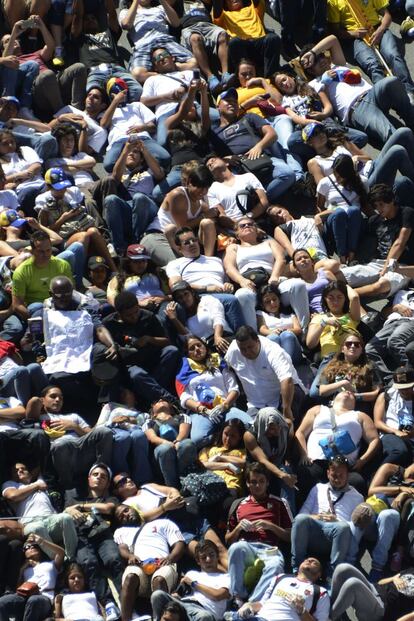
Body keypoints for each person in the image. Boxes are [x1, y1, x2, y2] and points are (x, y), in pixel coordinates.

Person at [300, 34, 414, 147]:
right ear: (310, 70)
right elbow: (325, 105)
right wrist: (324, 83)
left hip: (373, 93)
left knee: (391, 82)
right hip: (357, 109)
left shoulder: (337, 64)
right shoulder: (314, 84)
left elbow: (333, 39)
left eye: (321, 55)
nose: (321, 60)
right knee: (392, 133)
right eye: (315, 61)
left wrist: (313, 53)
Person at [209, 89, 300, 203]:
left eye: (234, 101)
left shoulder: (248, 117)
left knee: (287, 174)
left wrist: (259, 146)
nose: (232, 103)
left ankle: (259, 202)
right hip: (239, 168)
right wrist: (224, 159)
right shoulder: (214, 132)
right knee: (235, 196)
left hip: (262, 158)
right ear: (218, 106)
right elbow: (210, 157)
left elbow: (272, 134)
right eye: (227, 101)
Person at [223, 217, 310, 331]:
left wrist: (274, 276)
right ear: (237, 233)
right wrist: (241, 280)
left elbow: (281, 259)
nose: (247, 226)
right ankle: (255, 337)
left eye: (250, 224)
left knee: (297, 285)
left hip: (271, 280)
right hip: (250, 284)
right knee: (242, 295)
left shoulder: (269, 242)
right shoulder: (234, 247)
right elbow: (229, 267)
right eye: (242, 226)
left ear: (256, 229)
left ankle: (304, 330)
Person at [225, 462, 292, 604]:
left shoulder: (280, 503)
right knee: (236, 548)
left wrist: (271, 526)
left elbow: (290, 536)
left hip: (270, 549)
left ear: (267, 482)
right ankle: (238, 597)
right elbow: (228, 540)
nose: (257, 486)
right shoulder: (238, 504)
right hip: (247, 546)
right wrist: (238, 529)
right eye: (253, 482)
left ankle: (252, 603)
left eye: (261, 481)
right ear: (247, 484)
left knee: (276, 565)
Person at [103, 291, 182, 408]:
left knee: (172, 351)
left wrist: (149, 339)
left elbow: (167, 341)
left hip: (154, 362)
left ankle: (147, 394)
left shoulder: (148, 316)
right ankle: (170, 400)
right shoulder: (109, 324)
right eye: (129, 315)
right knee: (137, 375)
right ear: (119, 314)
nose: (134, 317)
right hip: (131, 367)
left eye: (136, 312)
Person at [25, 385, 113, 489]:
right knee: (61, 444)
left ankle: (101, 471)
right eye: (53, 396)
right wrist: (38, 401)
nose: (58, 400)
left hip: (82, 449)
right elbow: (32, 408)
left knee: (105, 431)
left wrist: (74, 426)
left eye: (61, 398)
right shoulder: (39, 417)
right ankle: (67, 483)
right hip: (61, 456)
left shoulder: (73, 417)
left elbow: (92, 433)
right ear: (43, 400)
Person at [1, 16, 87, 122]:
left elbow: (51, 47)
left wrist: (41, 25)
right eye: (7, 41)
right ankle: (62, 113)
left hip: (54, 81)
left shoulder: (34, 54)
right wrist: (14, 34)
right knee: (47, 75)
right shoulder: (11, 63)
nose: (13, 41)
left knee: (79, 68)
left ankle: (78, 110)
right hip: (39, 90)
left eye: (14, 40)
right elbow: (5, 65)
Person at [295, 390, 380, 497]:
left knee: (357, 482)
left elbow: (374, 440)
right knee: (304, 474)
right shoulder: (318, 409)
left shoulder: (360, 416)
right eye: (342, 392)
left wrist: (362, 461)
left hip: (344, 465)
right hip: (316, 461)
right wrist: (304, 455)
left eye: (352, 395)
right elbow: (300, 432)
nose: (349, 393)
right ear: (333, 399)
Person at [63, 463, 124, 609]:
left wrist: (80, 507)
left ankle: (127, 601)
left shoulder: (111, 499)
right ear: (89, 478)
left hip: (103, 535)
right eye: (95, 475)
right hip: (81, 537)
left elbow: (108, 509)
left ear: (108, 483)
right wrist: (68, 510)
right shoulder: (73, 497)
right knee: (88, 562)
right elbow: (63, 515)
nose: (99, 478)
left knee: (113, 559)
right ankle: (108, 603)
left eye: (103, 477)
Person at [165, 226, 247, 333]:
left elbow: (226, 281)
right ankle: (243, 336)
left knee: (243, 295)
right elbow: (175, 285)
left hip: (221, 292)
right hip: (196, 296)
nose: (192, 244)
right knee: (231, 300)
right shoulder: (175, 264)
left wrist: (228, 285)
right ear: (179, 248)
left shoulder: (215, 260)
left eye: (193, 240)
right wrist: (207, 288)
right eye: (186, 243)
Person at [327, 0, 414, 99]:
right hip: (355, 39)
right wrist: (354, 33)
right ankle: (387, 97)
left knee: (393, 55)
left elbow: (387, 16)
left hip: (378, 28)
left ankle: (409, 90)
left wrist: (380, 30)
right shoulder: (333, 2)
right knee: (372, 64)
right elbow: (335, 31)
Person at [291, 455, 362, 576]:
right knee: (300, 519)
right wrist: (316, 517)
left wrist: (336, 521)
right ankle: (297, 567)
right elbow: (302, 513)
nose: (337, 479)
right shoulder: (318, 488)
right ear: (328, 473)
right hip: (315, 529)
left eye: (341, 476)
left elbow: (355, 529)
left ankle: (333, 574)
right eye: (334, 475)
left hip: (337, 536)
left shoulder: (357, 497)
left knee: (343, 527)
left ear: (348, 475)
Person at [175, 334, 251, 445]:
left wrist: (223, 406)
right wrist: (203, 410)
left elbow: (233, 388)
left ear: (205, 346)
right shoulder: (184, 369)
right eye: (192, 348)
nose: (197, 349)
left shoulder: (217, 360)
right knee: (198, 440)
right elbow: (184, 398)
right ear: (187, 353)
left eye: (199, 345)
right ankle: (221, 438)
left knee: (250, 425)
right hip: (202, 413)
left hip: (225, 408)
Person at [114, 504, 186, 621]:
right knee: (130, 577)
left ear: (134, 509)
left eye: (126, 510)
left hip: (163, 562)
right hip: (139, 565)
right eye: (121, 516)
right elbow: (123, 548)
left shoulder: (163, 523)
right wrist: (130, 556)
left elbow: (179, 543)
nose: (125, 515)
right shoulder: (121, 531)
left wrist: (170, 558)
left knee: (159, 580)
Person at [341, 185, 414, 299]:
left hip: (401, 265)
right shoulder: (374, 221)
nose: (379, 209)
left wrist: (387, 267)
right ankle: (336, 293)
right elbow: (365, 242)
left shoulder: (406, 213)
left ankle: (344, 296)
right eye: (375, 206)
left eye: (381, 204)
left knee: (380, 286)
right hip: (377, 263)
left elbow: (400, 242)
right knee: (340, 275)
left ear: (391, 200)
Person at [225, 325, 307, 424]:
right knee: (253, 434)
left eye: (250, 347)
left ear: (258, 341)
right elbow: (228, 369)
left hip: (284, 397)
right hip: (256, 404)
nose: (247, 352)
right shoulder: (233, 350)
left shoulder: (273, 351)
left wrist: (286, 409)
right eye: (243, 349)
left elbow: (287, 380)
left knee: (283, 427)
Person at [2, 461, 78, 558]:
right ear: (12, 475)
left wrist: (34, 478)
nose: (20, 470)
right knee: (37, 528)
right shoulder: (11, 484)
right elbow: (13, 496)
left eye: (23, 468)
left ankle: (70, 559)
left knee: (66, 518)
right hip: (30, 523)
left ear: (30, 473)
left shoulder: (40, 480)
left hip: (51, 519)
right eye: (16, 470)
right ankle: (57, 561)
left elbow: (41, 466)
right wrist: (36, 485)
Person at [101, 140, 164, 255]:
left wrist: (144, 149)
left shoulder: (149, 170)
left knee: (139, 198)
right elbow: (114, 177)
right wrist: (125, 150)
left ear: (141, 158)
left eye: (135, 152)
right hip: (126, 207)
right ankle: (119, 248)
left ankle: (135, 242)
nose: (131, 153)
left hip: (147, 206)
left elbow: (159, 174)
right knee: (110, 199)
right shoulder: (119, 172)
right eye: (129, 152)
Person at [100, 80, 170, 173]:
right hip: (120, 141)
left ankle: (143, 170)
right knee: (109, 165)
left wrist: (142, 127)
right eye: (118, 93)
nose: (122, 94)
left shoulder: (137, 105)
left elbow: (152, 126)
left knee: (165, 158)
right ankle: (134, 170)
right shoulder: (108, 111)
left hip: (142, 138)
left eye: (124, 92)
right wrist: (115, 101)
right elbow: (103, 124)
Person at [305, 280, 361, 398]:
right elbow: (310, 343)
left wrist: (339, 282)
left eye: (339, 297)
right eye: (331, 297)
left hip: (352, 356)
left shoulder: (351, 316)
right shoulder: (319, 318)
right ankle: (341, 385)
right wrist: (324, 323)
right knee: (315, 393)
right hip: (330, 359)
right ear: (325, 299)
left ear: (345, 299)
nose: (335, 301)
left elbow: (355, 297)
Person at [151, 540, 231, 621]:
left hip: (203, 611)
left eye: (212, 555)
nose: (208, 559)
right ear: (198, 561)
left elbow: (217, 595)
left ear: (217, 556)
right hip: (183, 605)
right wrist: (177, 593)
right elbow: (179, 592)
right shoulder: (191, 574)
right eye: (203, 557)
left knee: (205, 617)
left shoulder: (226, 577)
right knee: (157, 595)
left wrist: (194, 584)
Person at [119, 1, 196, 84]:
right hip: (143, 44)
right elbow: (126, 24)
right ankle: (168, 72)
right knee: (137, 74)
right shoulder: (126, 12)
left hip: (165, 40)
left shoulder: (160, 8)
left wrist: (163, 2)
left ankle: (170, 69)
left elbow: (176, 23)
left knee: (193, 63)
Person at [229, 557, 330, 621]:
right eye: (306, 560)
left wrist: (302, 610)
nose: (309, 560)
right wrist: (249, 605)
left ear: (319, 574)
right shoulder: (281, 577)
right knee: (233, 615)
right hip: (259, 618)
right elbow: (262, 603)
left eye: (314, 563)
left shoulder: (320, 592)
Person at [315, 153, 368, 265]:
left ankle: (352, 254)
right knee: (339, 213)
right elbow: (319, 205)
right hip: (334, 218)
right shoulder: (325, 183)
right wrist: (319, 218)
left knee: (353, 210)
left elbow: (365, 205)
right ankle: (342, 257)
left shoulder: (362, 181)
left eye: (340, 176)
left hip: (354, 219)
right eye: (335, 175)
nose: (337, 179)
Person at [155, 164, 218, 257]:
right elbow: (182, 227)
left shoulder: (202, 201)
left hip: (184, 239)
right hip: (160, 235)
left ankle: (209, 260)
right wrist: (204, 216)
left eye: (206, 188)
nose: (203, 192)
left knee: (207, 223)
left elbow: (211, 218)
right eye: (199, 187)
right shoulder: (178, 195)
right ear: (189, 183)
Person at [207, 0, 281, 77]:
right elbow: (217, 11)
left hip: (259, 44)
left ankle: (271, 78)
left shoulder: (253, 8)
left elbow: (258, 2)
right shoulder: (223, 15)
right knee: (234, 42)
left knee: (273, 38)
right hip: (240, 49)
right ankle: (244, 78)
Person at [0, 533, 64, 621]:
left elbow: (61, 553)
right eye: (27, 547)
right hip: (23, 596)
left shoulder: (51, 565)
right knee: (2, 602)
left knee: (34, 600)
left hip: (44, 597)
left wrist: (42, 541)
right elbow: (16, 586)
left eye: (34, 546)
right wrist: (24, 567)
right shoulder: (24, 569)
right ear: (24, 554)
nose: (31, 547)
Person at [11, 230, 74, 320]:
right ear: (32, 251)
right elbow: (17, 305)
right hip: (35, 309)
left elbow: (72, 292)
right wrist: (35, 320)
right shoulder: (21, 272)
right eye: (41, 251)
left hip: (60, 305)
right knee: (37, 306)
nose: (45, 255)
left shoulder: (63, 265)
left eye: (48, 250)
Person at [142, 397, 198, 488]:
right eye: (157, 402)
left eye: (164, 401)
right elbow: (152, 437)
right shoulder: (149, 422)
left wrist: (178, 441)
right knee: (165, 449)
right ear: (153, 411)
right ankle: (172, 486)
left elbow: (184, 432)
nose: (160, 401)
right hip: (161, 452)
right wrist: (166, 443)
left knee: (187, 444)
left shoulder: (182, 417)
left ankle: (186, 482)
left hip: (180, 446)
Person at [319, 333, 380, 411]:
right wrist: (343, 383)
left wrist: (354, 396)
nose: (353, 346)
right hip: (333, 409)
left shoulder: (370, 366)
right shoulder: (332, 366)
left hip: (358, 410)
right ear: (342, 349)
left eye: (357, 344)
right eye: (348, 344)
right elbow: (322, 391)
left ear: (361, 350)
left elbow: (376, 393)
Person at [166, 281, 232, 353]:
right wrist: (174, 319)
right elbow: (187, 337)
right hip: (204, 350)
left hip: (223, 338)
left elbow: (218, 318)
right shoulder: (181, 316)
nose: (184, 299)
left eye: (186, 294)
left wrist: (217, 336)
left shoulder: (206, 300)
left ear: (192, 293)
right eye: (179, 297)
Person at [366, 291, 414, 384]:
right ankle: (389, 381)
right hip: (391, 322)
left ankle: (410, 372)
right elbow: (383, 311)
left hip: (411, 321)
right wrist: (396, 308)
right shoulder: (401, 292)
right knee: (370, 349)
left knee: (394, 341)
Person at [206, 155, 269, 225]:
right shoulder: (211, 190)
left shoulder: (248, 176)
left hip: (256, 220)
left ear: (226, 163)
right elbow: (221, 216)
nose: (210, 163)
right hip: (233, 227)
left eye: (213, 160)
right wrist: (240, 225)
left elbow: (264, 201)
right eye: (208, 165)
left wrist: (247, 218)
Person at [373, 366, 414, 466]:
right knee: (399, 451)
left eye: (407, 388)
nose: (404, 391)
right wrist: (396, 432)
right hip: (390, 434)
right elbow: (377, 422)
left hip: (411, 438)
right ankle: (378, 475)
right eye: (401, 388)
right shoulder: (387, 395)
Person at [255, 283, 303, 364]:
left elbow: (298, 329)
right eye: (267, 302)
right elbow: (262, 329)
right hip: (274, 342)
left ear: (279, 299)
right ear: (262, 305)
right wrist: (272, 332)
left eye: (274, 299)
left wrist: (286, 330)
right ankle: (279, 365)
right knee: (273, 338)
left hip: (294, 352)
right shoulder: (261, 314)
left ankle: (285, 365)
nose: (272, 303)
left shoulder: (290, 314)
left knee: (287, 335)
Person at [0, 128, 44, 215]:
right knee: (28, 193)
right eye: (5, 143)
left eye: (12, 142)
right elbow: (2, 180)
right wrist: (19, 175)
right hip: (20, 190)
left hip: (40, 183)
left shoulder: (24, 150)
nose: (10, 145)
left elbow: (36, 166)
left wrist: (18, 179)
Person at [199, 418, 247, 496]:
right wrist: (227, 465)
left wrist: (220, 457)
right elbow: (202, 465)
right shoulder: (209, 449)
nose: (228, 439)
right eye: (226, 434)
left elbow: (244, 463)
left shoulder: (243, 451)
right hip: (209, 484)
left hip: (231, 487)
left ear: (240, 437)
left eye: (233, 436)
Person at [290, 248, 337, 315]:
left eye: (306, 257)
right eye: (299, 259)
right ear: (296, 268)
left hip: (336, 310)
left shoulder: (325, 273)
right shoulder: (298, 284)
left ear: (312, 262)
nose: (303, 260)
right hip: (318, 316)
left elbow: (341, 290)